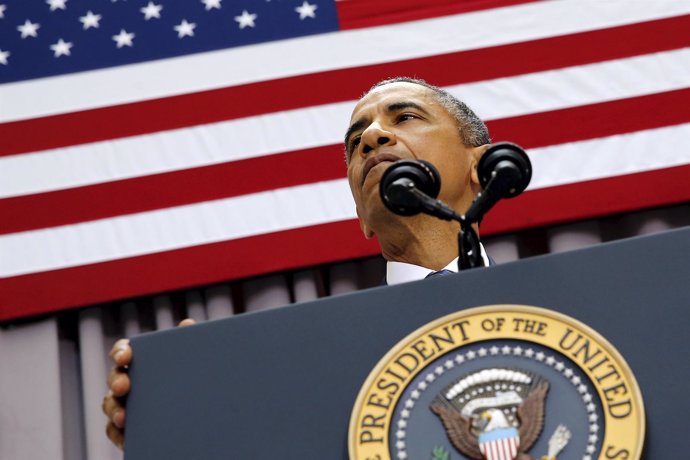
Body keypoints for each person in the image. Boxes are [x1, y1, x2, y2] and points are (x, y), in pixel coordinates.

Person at [102, 77, 491, 448]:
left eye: (405, 117)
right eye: (357, 142)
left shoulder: (553, 299)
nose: (372, 139)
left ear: (484, 168)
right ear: (360, 215)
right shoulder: (297, 369)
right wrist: (184, 423)